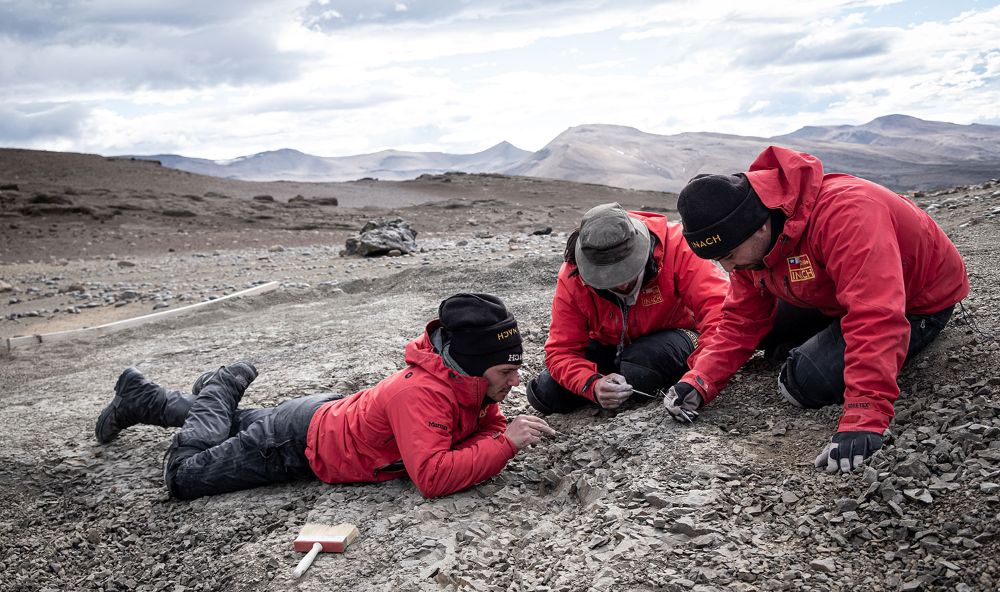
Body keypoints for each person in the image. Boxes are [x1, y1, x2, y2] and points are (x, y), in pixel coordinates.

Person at [663, 146, 970, 473]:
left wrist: (864, 416)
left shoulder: (847, 215)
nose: (727, 266)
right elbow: (741, 320)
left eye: (730, 255)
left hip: (916, 301)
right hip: (834, 292)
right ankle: (823, 341)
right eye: (717, 258)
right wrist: (700, 379)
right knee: (768, 334)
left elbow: (875, 315)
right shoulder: (748, 241)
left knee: (803, 382)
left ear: (760, 227)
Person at [95, 293, 554, 500]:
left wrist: (496, 437)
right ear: (472, 365)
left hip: (324, 416)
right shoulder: (422, 395)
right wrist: (506, 445)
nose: (516, 381)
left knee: (229, 425)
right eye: (506, 371)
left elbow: (487, 425)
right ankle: (222, 385)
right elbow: (432, 477)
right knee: (183, 476)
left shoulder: (469, 382)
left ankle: (143, 398)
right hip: (294, 443)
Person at [526, 202, 729, 414]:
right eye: (607, 278)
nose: (622, 284)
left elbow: (721, 317)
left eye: (628, 271)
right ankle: (624, 380)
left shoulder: (676, 246)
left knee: (641, 365)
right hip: (609, 345)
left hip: (678, 337)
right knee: (546, 393)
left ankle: (638, 375)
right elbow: (561, 351)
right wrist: (593, 384)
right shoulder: (573, 274)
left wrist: (698, 379)